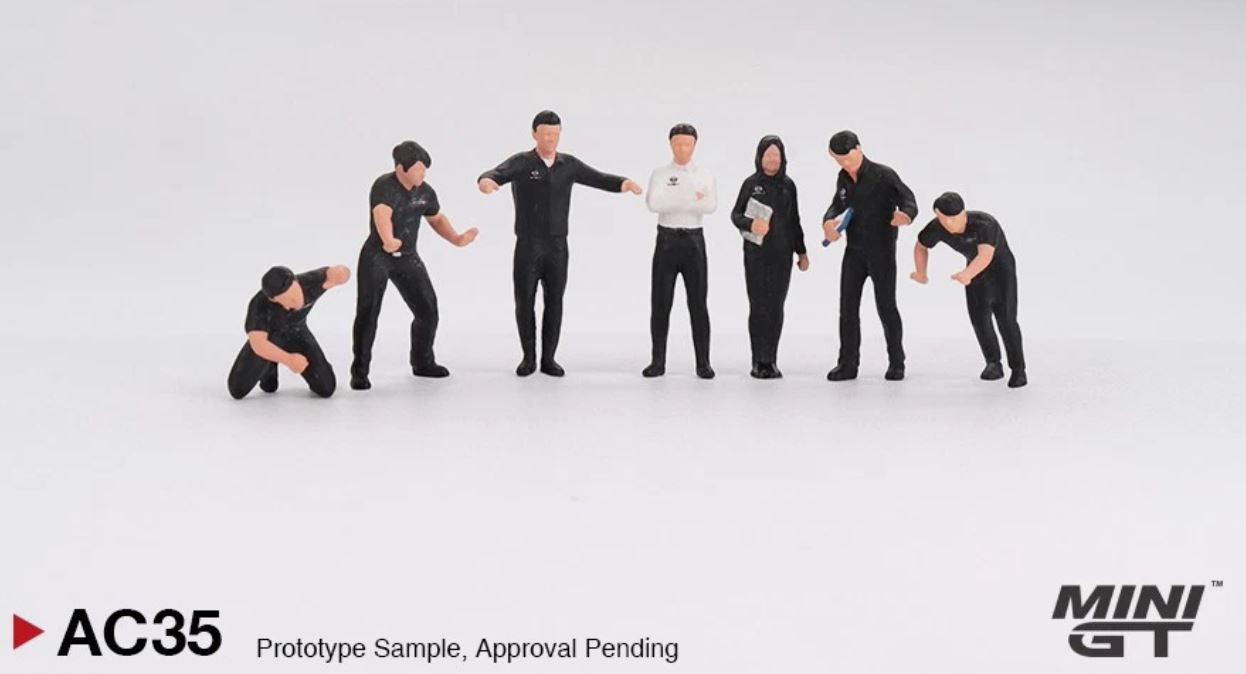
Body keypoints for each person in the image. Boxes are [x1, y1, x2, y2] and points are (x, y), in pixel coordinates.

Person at [478, 110, 643, 377]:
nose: (550, 139)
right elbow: (495, 173)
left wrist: (623, 183)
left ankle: (549, 359)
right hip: (528, 244)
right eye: (545, 134)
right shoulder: (522, 162)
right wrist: (486, 181)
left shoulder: (568, 164)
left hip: (557, 245)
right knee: (524, 301)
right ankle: (528, 358)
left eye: (555, 134)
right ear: (534, 134)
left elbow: (597, 177)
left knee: (554, 301)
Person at [350, 141, 478, 391]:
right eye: (418, 169)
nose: (423, 174)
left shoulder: (425, 192)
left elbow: (436, 218)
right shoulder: (384, 186)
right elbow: (381, 214)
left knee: (428, 309)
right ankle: (360, 372)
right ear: (400, 168)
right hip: (377, 256)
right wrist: (388, 240)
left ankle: (422, 362)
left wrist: (457, 239)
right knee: (368, 313)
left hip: (407, 257)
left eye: (425, 169)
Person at [822, 130, 918, 382]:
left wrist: (906, 216)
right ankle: (847, 364)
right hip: (854, 251)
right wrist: (828, 222)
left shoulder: (883, 175)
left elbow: (909, 200)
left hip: (881, 252)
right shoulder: (843, 178)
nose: (844, 164)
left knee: (886, 307)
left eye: (847, 158)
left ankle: (897, 362)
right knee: (847, 308)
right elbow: (837, 204)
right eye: (838, 160)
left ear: (859, 149)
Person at [912, 192, 1027, 388]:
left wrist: (967, 274)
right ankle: (993, 363)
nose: (948, 223)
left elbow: (985, 255)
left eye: (953, 218)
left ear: (963, 213)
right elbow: (921, 246)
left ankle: (1018, 369)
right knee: (979, 320)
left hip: (1001, 270)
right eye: (943, 218)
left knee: (1006, 320)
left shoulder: (985, 224)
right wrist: (921, 272)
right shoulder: (937, 227)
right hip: (974, 272)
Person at [730, 135, 809, 379]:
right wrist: (751, 224)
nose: (773, 159)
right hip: (756, 254)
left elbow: (794, 220)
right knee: (758, 306)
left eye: (776, 155)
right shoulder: (751, 184)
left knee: (776, 307)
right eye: (768, 155)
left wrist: (801, 251)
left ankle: (771, 360)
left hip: (782, 254)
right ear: (760, 157)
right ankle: (758, 360)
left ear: (782, 158)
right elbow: (736, 215)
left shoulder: (789, 186)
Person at [642, 123, 718, 379]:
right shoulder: (660, 173)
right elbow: (654, 202)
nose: (682, 148)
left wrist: (674, 199)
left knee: (698, 303)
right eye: (678, 143)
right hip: (666, 240)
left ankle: (703, 362)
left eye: (687, 144)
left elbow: (710, 205)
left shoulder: (705, 174)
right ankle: (657, 361)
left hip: (694, 241)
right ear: (670, 144)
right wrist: (691, 197)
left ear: (695, 145)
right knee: (660, 302)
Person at [228, 265, 351, 399]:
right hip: (271, 338)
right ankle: (269, 367)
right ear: (273, 299)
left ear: (296, 282)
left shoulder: (310, 282)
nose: (288, 306)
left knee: (326, 388)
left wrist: (340, 274)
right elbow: (258, 344)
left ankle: (276, 364)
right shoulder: (259, 305)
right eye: (283, 303)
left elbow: (334, 273)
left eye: (291, 299)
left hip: (297, 332)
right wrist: (288, 359)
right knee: (237, 389)